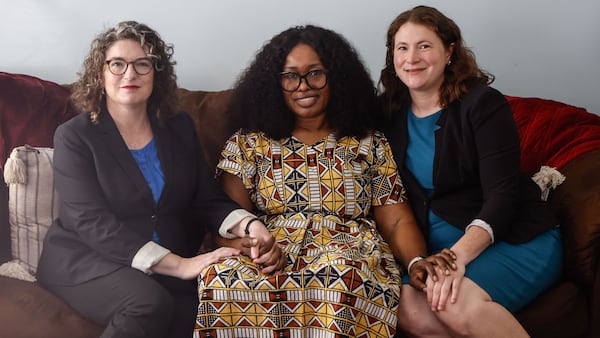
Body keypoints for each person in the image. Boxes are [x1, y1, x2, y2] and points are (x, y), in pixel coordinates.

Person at [194, 25, 455, 338]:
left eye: (315, 73)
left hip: (349, 250)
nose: (303, 86)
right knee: (222, 277)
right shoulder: (249, 143)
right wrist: (251, 247)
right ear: (275, 84)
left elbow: (396, 219)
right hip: (272, 251)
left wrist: (414, 261)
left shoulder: (367, 142)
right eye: (290, 76)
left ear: (336, 78)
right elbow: (226, 221)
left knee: (341, 275)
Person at [36, 21, 279, 338]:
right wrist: (180, 265)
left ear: (157, 74)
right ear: (100, 73)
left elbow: (206, 199)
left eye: (142, 64)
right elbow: (91, 222)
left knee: (200, 312)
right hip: (86, 261)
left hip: (163, 265)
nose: (130, 74)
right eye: (117, 64)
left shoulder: (178, 126)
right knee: (147, 303)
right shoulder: (75, 136)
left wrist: (253, 227)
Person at [378, 5, 563, 337]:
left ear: (449, 51)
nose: (411, 58)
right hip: (434, 255)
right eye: (402, 48)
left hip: (509, 239)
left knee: (451, 302)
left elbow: (502, 196)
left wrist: (454, 258)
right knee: (397, 302)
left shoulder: (483, 105)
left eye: (424, 46)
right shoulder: (389, 113)